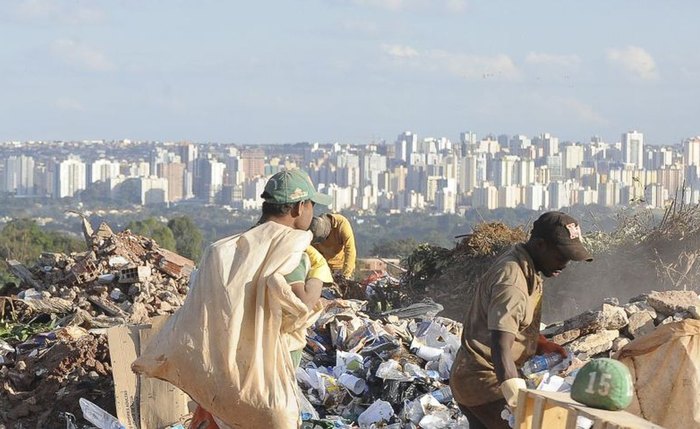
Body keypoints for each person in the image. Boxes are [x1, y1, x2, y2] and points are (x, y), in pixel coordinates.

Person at [134, 169, 333, 429]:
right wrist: (317, 272)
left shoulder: (227, 250)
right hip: (265, 378)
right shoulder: (289, 249)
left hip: (222, 374)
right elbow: (302, 305)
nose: (313, 212)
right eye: (311, 205)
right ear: (298, 207)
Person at [449, 211, 593, 429]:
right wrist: (517, 400)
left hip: (470, 378)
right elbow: (500, 347)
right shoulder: (513, 281)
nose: (565, 264)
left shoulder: (527, 266)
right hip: (485, 383)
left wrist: (542, 344)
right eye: (561, 256)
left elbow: (512, 324)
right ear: (540, 245)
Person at [309, 212, 357, 280]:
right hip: (325, 268)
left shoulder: (342, 224)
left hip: (342, 267)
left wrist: (346, 275)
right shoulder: (314, 229)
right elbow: (312, 254)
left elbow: (350, 249)